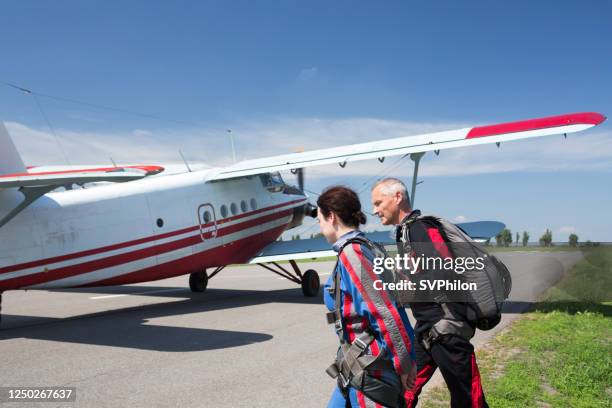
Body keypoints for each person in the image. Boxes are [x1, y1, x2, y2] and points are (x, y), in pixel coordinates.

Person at [371, 178, 488, 408]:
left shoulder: (421, 228)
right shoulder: (405, 232)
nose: (375, 210)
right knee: (403, 391)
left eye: (378, 202)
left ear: (397, 197)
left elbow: (449, 269)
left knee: (469, 401)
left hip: (447, 331)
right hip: (426, 332)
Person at [317, 186, 416, 408]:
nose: (320, 227)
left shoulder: (354, 254)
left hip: (371, 371)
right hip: (354, 367)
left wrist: (405, 364)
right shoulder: (366, 248)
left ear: (331, 217)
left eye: (320, 220)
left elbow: (386, 312)